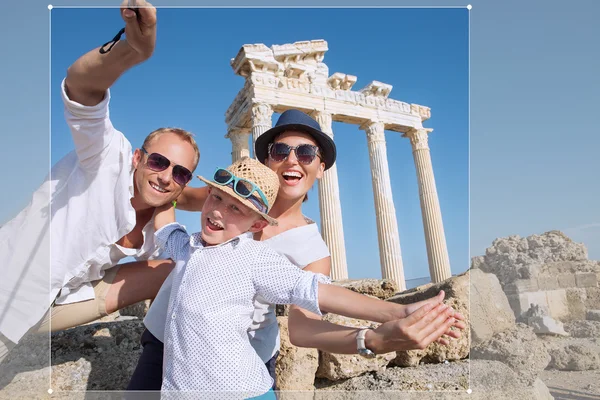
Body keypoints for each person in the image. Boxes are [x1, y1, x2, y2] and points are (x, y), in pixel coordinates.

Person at [129, 108, 466, 392]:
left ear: (321, 168)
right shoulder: (229, 195)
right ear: (266, 160)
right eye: (280, 151)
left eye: (306, 153)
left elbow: (305, 328)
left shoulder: (311, 249)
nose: (292, 160)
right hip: (162, 340)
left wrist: (375, 336)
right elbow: (166, 193)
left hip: (233, 367)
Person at [0, 0, 193, 364]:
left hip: (48, 307)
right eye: (158, 161)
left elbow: (194, 220)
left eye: (180, 173)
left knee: (173, 267)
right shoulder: (107, 158)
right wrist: (131, 50)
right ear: (137, 157)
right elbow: (80, 87)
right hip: (7, 291)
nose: (167, 175)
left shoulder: (157, 227)